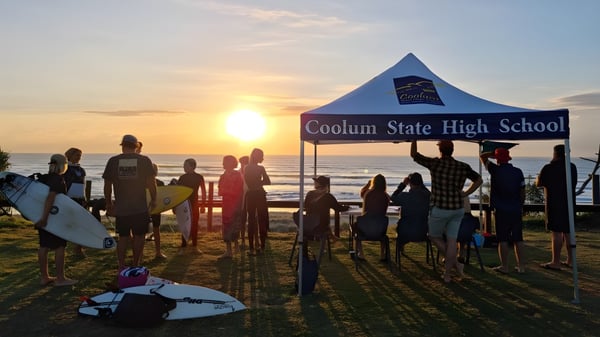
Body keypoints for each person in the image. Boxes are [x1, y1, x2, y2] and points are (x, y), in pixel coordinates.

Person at [411, 140, 482, 283]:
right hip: (457, 209)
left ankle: (454, 267)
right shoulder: (462, 166)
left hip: (440, 208)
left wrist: (414, 139)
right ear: (452, 150)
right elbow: (479, 180)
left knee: (433, 235)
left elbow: (414, 155)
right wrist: (466, 193)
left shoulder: (436, 164)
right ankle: (448, 274)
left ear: (440, 150)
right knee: (451, 241)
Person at [103, 134, 157, 270]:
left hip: (122, 207)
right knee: (139, 236)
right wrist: (154, 199)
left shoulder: (113, 161)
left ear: (123, 146)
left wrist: (109, 203)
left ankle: (121, 266)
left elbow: (107, 185)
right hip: (139, 207)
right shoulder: (144, 160)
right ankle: (136, 264)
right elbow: (151, 183)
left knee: (123, 237)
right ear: (136, 146)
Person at [34, 154, 78, 286]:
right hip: (53, 217)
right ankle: (60, 279)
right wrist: (44, 219)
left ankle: (45, 277)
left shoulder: (43, 178)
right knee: (60, 246)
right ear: (62, 165)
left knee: (44, 246)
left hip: (42, 215)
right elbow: (50, 198)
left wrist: (41, 217)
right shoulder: (58, 179)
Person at [480, 148, 526, 274]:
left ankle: (504, 266)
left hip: (500, 209)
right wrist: (520, 205)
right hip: (515, 209)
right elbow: (522, 191)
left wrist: (492, 153)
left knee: (503, 239)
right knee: (518, 238)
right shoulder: (518, 172)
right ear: (509, 158)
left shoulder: (495, 170)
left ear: (497, 159)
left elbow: (482, 157)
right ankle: (521, 267)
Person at [536, 144, 577, 270]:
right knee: (568, 232)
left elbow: (539, 183)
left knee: (557, 233)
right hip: (569, 203)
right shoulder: (572, 167)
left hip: (554, 203)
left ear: (555, 153)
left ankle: (556, 261)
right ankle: (570, 260)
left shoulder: (549, 168)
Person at [390, 172, 431, 254]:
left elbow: (393, 197)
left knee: (402, 228)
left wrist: (403, 185)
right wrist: (421, 185)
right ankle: (401, 244)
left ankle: (401, 245)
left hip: (404, 232)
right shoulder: (427, 196)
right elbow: (428, 193)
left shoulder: (405, 196)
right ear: (421, 183)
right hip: (422, 232)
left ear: (409, 183)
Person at [354, 174, 391, 261]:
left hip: (365, 229)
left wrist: (368, 184)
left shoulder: (368, 193)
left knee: (355, 227)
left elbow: (362, 193)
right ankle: (382, 255)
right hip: (379, 229)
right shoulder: (386, 196)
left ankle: (361, 254)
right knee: (383, 229)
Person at [304, 175, 349, 243]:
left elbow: (306, 206)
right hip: (321, 226)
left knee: (321, 218)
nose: (314, 183)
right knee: (323, 220)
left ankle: (332, 237)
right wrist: (348, 207)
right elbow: (338, 208)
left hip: (308, 224)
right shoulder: (328, 196)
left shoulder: (309, 194)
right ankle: (331, 236)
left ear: (318, 184)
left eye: (316, 182)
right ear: (326, 186)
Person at [176, 158, 206, 255]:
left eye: (185, 165)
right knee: (184, 224)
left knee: (194, 225)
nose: (183, 167)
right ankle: (183, 247)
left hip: (195, 204)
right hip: (183, 204)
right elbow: (177, 192)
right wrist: (175, 206)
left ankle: (195, 246)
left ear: (192, 166)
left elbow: (204, 191)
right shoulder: (182, 178)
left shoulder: (199, 177)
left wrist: (203, 205)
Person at [244, 148, 271, 255]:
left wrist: (256, 183)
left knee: (251, 220)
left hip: (251, 194)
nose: (262, 158)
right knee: (261, 220)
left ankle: (252, 248)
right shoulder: (260, 168)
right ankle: (261, 247)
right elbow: (268, 181)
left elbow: (249, 182)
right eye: (261, 155)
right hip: (259, 194)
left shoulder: (247, 168)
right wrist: (260, 183)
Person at [218, 155, 244, 258]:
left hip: (235, 204)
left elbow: (238, 190)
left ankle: (234, 247)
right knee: (227, 225)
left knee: (235, 225)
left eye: (225, 161)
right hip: (226, 204)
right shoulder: (223, 176)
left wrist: (226, 191)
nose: (223, 164)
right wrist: (226, 191)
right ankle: (229, 250)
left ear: (230, 163)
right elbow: (220, 190)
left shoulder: (237, 175)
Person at [63, 147, 87, 257]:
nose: (79, 158)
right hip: (68, 199)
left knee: (80, 224)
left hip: (80, 199)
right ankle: (61, 248)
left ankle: (78, 248)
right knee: (67, 224)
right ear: (70, 155)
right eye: (77, 155)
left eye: (80, 156)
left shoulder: (81, 170)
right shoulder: (65, 169)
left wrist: (84, 197)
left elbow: (83, 185)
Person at [150, 163, 167, 259]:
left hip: (145, 209)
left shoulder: (141, 183)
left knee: (141, 232)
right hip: (156, 208)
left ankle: (140, 255)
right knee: (156, 230)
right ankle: (158, 252)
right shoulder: (160, 183)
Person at [238, 155, 250, 249]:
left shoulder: (251, 173)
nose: (244, 165)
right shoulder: (238, 173)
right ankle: (242, 240)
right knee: (241, 220)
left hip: (250, 197)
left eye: (245, 163)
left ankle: (253, 240)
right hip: (240, 199)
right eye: (242, 163)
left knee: (252, 219)